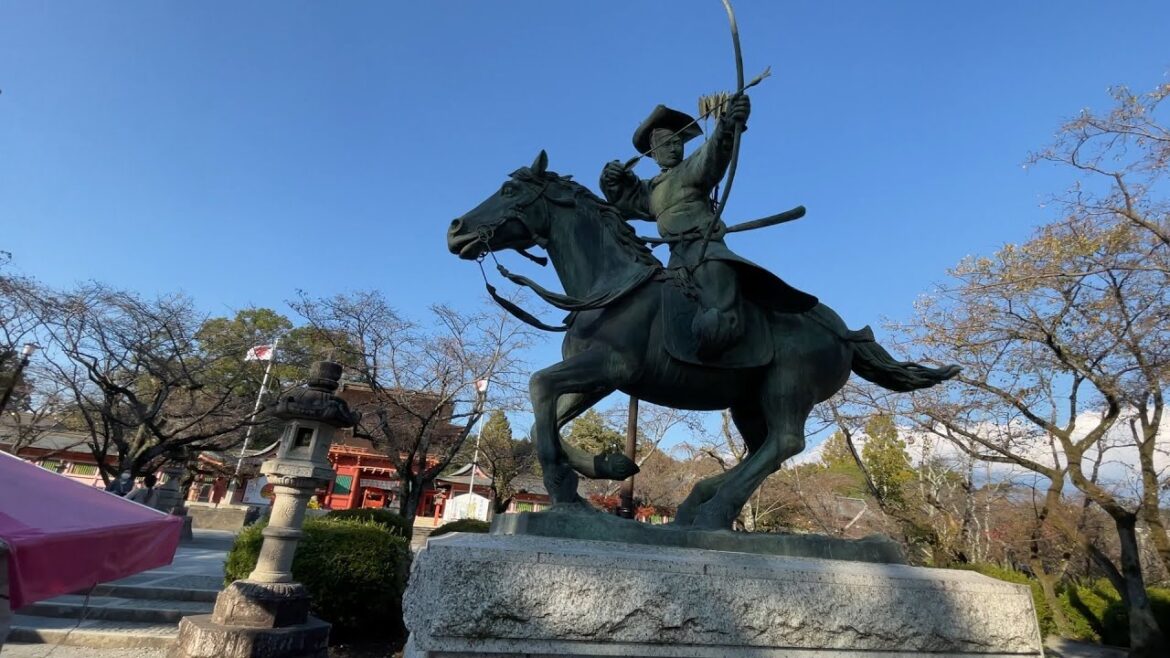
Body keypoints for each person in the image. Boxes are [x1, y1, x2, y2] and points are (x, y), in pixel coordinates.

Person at [600, 94, 816, 358]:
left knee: (717, 303)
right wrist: (612, 178)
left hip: (706, 250)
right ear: (653, 154)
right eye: (667, 144)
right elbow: (625, 200)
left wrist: (727, 125)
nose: (674, 148)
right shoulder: (651, 190)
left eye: (677, 142)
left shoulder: (691, 168)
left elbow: (713, 154)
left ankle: (719, 347)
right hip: (675, 261)